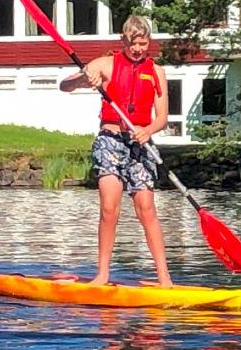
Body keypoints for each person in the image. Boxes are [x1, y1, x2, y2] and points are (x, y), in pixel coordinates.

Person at [59, 15, 171, 287]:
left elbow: (163, 117)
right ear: (124, 41)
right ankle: (103, 274)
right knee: (110, 207)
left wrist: (148, 130)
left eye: (144, 44)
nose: (138, 49)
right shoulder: (105, 64)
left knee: (147, 208)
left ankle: (165, 279)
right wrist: (83, 77)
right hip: (111, 140)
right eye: (134, 44)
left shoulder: (156, 71)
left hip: (141, 144)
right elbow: (65, 86)